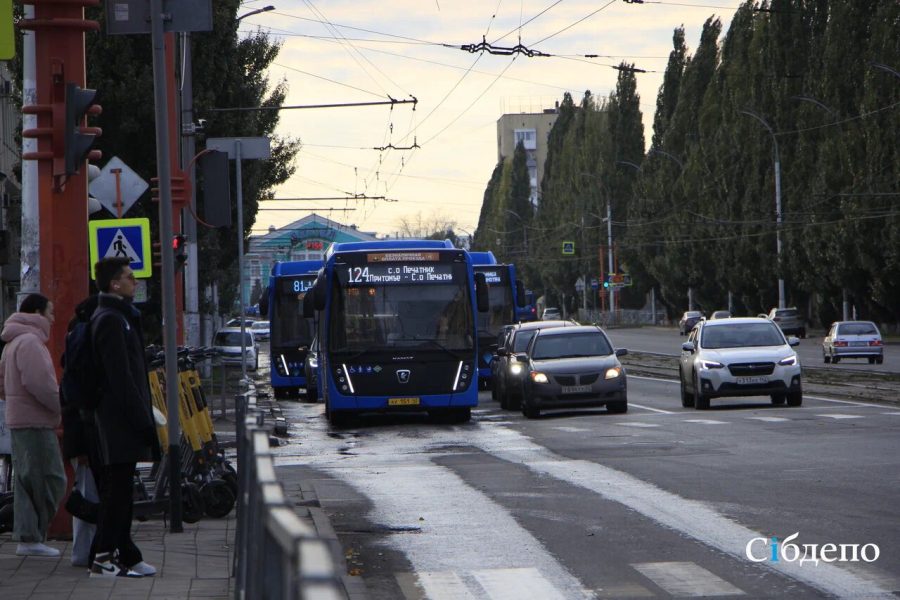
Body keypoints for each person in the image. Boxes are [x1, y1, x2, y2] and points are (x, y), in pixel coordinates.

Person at [88, 257, 160, 578]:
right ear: (114, 284)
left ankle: (126, 554)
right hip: (117, 422)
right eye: (130, 277)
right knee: (116, 493)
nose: (135, 281)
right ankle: (103, 558)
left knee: (122, 491)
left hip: (122, 420)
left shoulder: (121, 317)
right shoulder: (110, 320)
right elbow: (121, 378)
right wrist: (142, 421)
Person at [0, 293, 66, 557]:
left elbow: (2, 383)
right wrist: (60, 406)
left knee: (28, 480)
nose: (52, 318)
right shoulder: (30, 343)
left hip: (20, 418)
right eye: (50, 312)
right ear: (37, 313)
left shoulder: (12, 342)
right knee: (50, 479)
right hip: (35, 421)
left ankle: (29, 536)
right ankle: (31, 536)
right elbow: (41, 384)